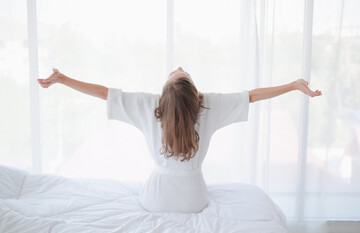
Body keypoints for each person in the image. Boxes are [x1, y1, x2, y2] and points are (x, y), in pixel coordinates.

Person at [38, 67, 322, 213]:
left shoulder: (150, 106)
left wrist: (63, 79)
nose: (179, 67)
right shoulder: (208, 105)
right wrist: (293, 86)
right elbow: (252, 95)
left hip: (155, 200)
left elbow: (103, 93)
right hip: (194, 200)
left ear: (164, 95)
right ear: (194, 95)